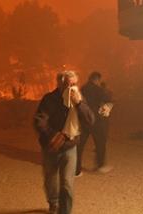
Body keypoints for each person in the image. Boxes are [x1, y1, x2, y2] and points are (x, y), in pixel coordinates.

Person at [34, 70, 95, 214]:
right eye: (69, 83)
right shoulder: (50, 99)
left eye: (75, 84)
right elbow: (39, 121)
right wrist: (53, 136)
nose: (72, 87)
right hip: (51, 146)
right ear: (60, 83)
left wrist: (79, 103)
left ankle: (65, 211)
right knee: (51, 179)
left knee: (67, 183)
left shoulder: (78, 99)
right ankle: (53, 202)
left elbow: (90, 120)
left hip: (70, 146)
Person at [76, 71, 113, 176]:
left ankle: (76, 167)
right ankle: (101, 165)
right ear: (97, 79)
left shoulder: (82, 89)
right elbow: (107, 101)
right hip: (96, 120)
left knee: (80, 144)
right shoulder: (99, 90)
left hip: (84, 119)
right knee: (100, 142)